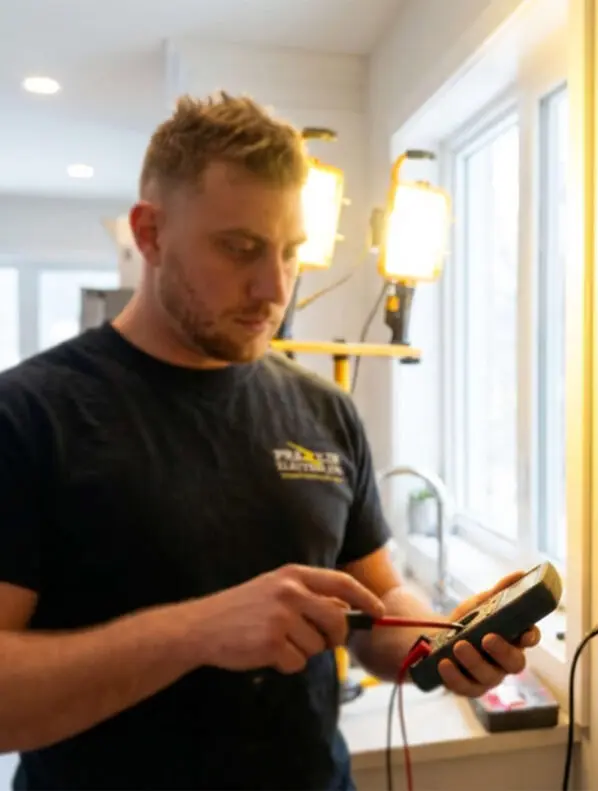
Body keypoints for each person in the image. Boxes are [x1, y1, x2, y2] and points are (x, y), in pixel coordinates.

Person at [0, 93, 540, 790]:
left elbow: (376, 604)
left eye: (291, 251)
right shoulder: (29, 416)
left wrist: (441, 638)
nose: (274, 287)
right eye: (240, 247)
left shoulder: (324, 410)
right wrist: (196, 631)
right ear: (150, 233)